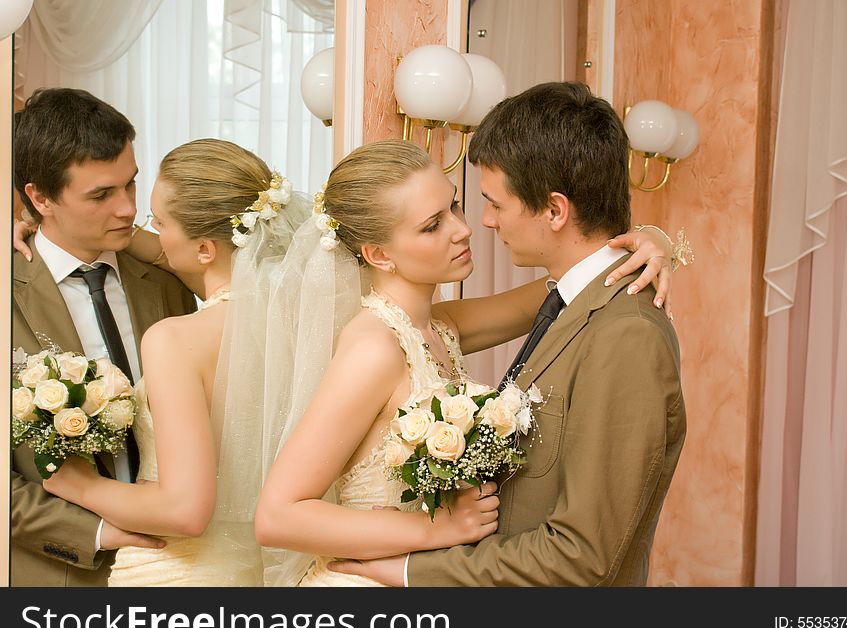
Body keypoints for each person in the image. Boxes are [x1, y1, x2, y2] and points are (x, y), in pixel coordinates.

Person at [254, 135, 677, 586]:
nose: (464, 228)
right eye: (432, 225)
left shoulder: (439, 327)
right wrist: (439, 527)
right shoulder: (374, 348)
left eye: (454, 207)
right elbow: (277, 517)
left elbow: (578, 276)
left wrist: (650, 241)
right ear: (379, 255)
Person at [38, 138, 309, 586]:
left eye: (158, 222)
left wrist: (79, 485)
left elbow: (185, 510)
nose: (146, 232)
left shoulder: (175, 339)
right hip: (262, 569)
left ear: (204, 249)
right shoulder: (304, 324)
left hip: (178, 570)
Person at [11, 87, 197, 587]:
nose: (125, 209)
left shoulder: (165, 280)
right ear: (40, 198)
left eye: (130, 186)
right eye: (100, 195)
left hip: (180, 563)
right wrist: (94, 532)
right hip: (55, 575)